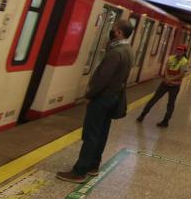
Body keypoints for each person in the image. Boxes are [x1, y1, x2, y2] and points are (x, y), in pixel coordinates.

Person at [57, 20, 134, 183]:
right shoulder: (128, 50)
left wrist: (90, 95)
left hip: (102, 99)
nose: (112, 31)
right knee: (102, 133)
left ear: (119, 32)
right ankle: (93, 166)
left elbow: (102, 78)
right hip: (113, 98)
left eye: (114, 29)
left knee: (91, 134)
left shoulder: (116, 52)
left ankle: (79, 172)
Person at [136, 44, 189, 127]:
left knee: (170, 103)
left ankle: (165, 121)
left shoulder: (185, 61)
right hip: (165, 83)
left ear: (184, 52)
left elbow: (181, 74)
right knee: (154, 99)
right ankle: (142, 115)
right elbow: (166, 69)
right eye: (178, 50)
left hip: (175, 85)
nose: (178, 52)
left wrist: (170, 79)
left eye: (181, 50)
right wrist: (167, 77)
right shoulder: (171, 58)